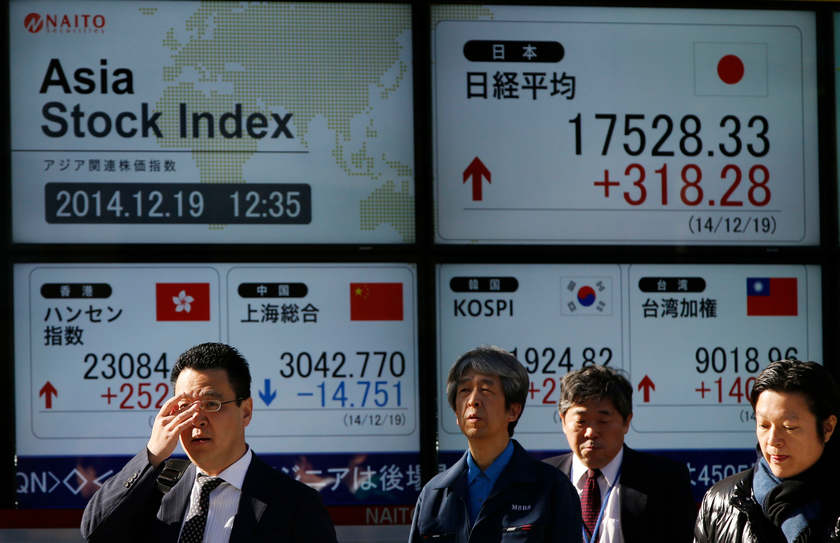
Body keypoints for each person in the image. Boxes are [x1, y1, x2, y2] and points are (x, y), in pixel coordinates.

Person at [81, 342, 337, 543]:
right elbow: (95, 531)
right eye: (184, 408)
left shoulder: (296, 505)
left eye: (211, 404)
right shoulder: (156, 488)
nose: (196, 420)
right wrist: (152, 455)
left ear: (245, 411)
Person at [409, 346, 582, 542]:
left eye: (485, 390)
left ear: (513, 411)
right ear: (456, 413)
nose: (473, 401)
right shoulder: (434, 495)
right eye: (465, 390)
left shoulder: (552, 488)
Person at [544, 365, 696, 543]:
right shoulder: (542, 479)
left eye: (603, 421)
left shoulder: (665, 480)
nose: (591, 432)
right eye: (581, 421)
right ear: (563, 421)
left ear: (626, 422)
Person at [694, 359, 840, 542]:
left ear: (827, 428)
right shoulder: (720, 501)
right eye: (763, 425)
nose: (773, 441)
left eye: (789, 427)